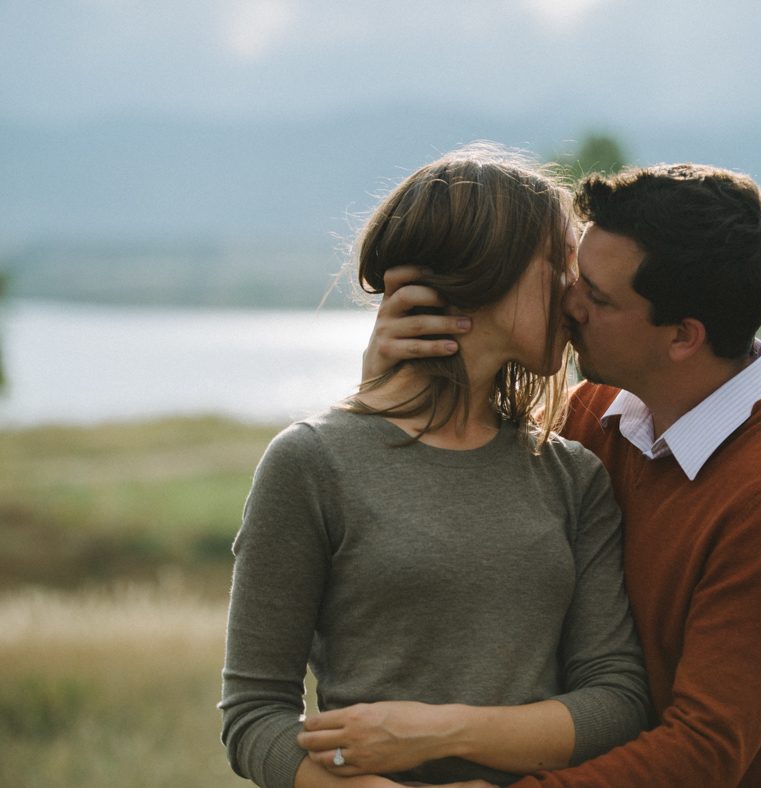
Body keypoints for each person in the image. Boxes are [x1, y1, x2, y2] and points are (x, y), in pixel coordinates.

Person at [349, 162, 761, 786]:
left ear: (682, 338)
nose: (569, 301)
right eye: (573, 275)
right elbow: (447, 502)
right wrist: (386, 384)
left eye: (599, 296)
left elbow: (702, 752)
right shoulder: (586, 417)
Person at [219, 144, 650, 788]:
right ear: (482, 273)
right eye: (561, 263)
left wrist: (443, 729)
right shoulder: (310, 463)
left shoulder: (572, 476)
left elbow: (616, 699)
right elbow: (254, 717)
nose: (576, 293)